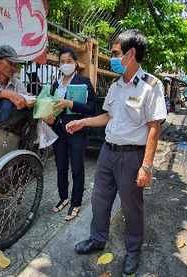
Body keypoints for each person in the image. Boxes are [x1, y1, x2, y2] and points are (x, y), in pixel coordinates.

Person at [66, 29, 167, 275]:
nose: (111, 58)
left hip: (132, 156)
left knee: (132, 207)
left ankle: (133, 250)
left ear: (131, 54)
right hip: (107, 153)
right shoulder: (115, 86)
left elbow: (154, 128)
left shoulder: (151, 86)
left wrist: (147, 166)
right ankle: (97, 239)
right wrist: (83, 122)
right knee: (100, 200)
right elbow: (108, 116)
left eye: (115, 53)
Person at [45, 47, 97, 221]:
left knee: (77, 169)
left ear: (75, 64)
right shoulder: (54, 85)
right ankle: (63, 198)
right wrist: (48, 117)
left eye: (69, 61)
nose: (65, 65)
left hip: (77, 131)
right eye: (62, 62)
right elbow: (49, 107)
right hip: (58, 131)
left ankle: (76, 203)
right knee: (60, 167)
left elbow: (92, 108)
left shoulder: (84, 82)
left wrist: (70, 104)